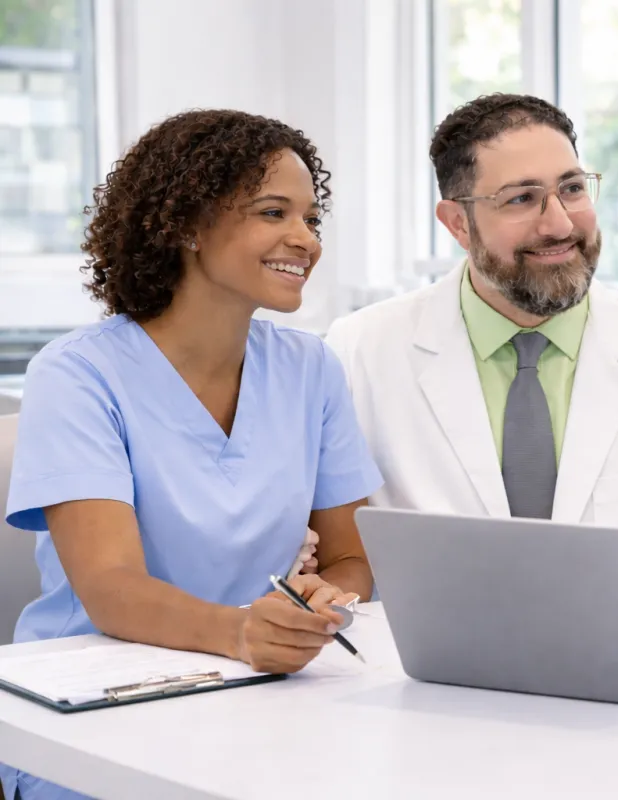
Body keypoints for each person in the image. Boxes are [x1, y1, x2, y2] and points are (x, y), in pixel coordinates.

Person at [1, 110, 382, 800]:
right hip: (95, 714)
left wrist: (327, 598)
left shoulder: (310, 369)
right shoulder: (78, 374)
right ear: (185, 224)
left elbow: (352, 556)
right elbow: (112, 589)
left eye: (312, 219)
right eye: (275, 213)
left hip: (259, 697)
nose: (306, 240)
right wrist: (243, 633)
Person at [324, 93, 618, 624]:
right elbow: (324, 549)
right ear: (457, 223)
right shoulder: (357, 353)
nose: (559, 224)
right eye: (522, 199)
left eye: (571, 189)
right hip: (430, 676)